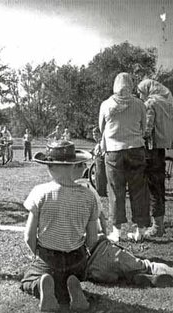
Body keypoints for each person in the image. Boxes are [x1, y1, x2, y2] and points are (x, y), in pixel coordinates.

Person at [20, 141, 98, 312]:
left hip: (49, 257)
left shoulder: (40, 192)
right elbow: (93, 238)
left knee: (28, 280)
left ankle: (42, 285)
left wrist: (38, 255)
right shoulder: (89, 196)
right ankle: (73, 286)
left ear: (51, 167)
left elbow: (28, 236)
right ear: (74, 165)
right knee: (69, 277)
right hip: (76, 257)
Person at [75, 178, 173, 288]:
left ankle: (130, 276)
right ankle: (144, 272)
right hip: (101, 252)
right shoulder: (86, 191)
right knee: (146, 265)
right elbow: (99, 223)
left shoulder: (56, 198)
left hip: (86, 269)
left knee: (114, 271)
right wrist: (105, 237)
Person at [99, 72, 149, 243]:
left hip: (113, 151)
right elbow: (144, 129)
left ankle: (116, 232)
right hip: (136, 149)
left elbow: (101, 128)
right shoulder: (140, 104)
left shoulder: (106, 104)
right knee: (139, 191)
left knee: (115, 191)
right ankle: (140, 230)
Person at [137, 79, 173, 238]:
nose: (140, 95)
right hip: (160, 149)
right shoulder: (166, 103)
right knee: (159, 187)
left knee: (152, 187)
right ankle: (158, 223)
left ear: (147, 89)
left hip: (150, 149)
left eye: (140, 91)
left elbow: (146, 129)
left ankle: (157, 227)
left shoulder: (150, 103)